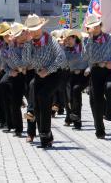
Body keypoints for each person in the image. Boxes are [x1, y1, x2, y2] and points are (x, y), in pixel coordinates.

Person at [22, 14, 66, 148]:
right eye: (31, 29)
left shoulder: (50, 40)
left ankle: (45, 136)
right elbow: (25, 61)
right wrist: (28, 44)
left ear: (41, 28)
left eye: (36, 28)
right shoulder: (29, 43)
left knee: (43, 97)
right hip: (39, 74)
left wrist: (48, 70)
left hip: (54, 74)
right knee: (37, 104)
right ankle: (46, 136)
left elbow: (61, 57)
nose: (34, 32)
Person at [84, 15, 111, 139]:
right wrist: (90, 38)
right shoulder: (87, 41)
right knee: (96, 101)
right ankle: (100, 129)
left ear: (100, 25)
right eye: (92, 26)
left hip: (110, 70)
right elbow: (87, 56)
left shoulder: (109, 38)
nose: (95, 28)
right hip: (96, 70)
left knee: (109, 88)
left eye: (97, 25)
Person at [0, 22, 27, 137]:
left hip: (26, 73)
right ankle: (16, 127)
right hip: (14, 75)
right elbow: (4, 66)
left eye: (9, 34)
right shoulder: (3, 50)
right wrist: (11, 72)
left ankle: (34, 126)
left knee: (33, 101)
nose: (7, 37)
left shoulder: (22, 44)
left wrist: (21, 69)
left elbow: (23, 61)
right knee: (12, 100)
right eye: (4, 36)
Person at [62, 29, 90, 130]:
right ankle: (76, 120)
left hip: (85, 74)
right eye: (66, 39)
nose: (68, 41)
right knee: (71, 97)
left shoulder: (84, 47)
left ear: (75, 38)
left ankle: (75, 116)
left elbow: (91, 59)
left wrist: (88, 68)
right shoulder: (67, 50)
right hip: (72, 75)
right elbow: (64, 64)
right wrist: (64, 49)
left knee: (76, 90)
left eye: (69, 38)